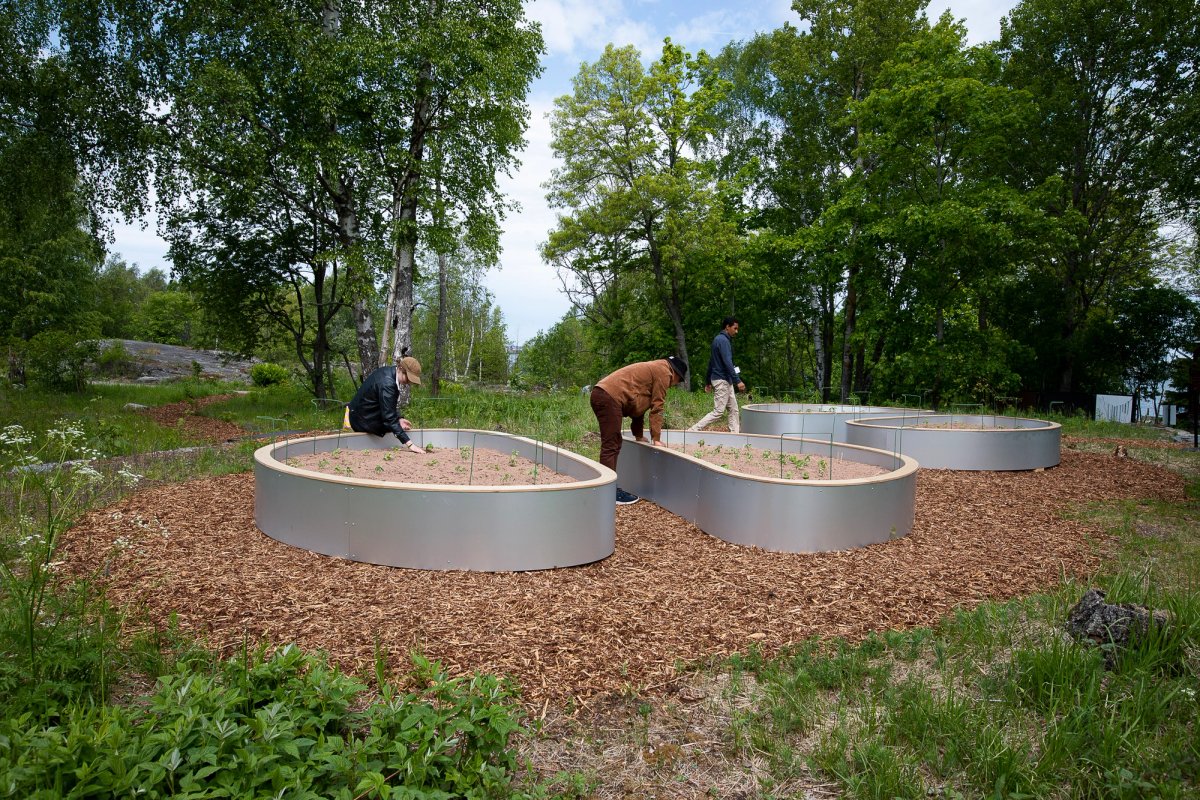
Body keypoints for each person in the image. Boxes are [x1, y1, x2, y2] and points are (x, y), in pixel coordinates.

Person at [590, 355, 688, 505]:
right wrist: (656, 439)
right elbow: (657, 407)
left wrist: (639, 435)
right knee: (612, 444)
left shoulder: (656, 368)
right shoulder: (664, 372)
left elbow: (639, 407)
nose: (673, 384)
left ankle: (605, 487)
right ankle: (608, 492)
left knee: (612, 443)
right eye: (678, 381)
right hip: (609, 397)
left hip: (602, 394)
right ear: (676, 374)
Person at [346, 356, 426, 455]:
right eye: (408, 378)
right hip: (362, 420)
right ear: (400, 369)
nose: (409, 382)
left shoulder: (389, 372)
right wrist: (410, 444)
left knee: (393, 424)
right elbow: (389, 418)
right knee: (389, 424)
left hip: (360, 414)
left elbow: (387, 404)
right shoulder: (388, 383)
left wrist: (399, 419)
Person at [691, 316, 745, 433]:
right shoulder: (723, 341)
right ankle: (693, 430)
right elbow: (727, 362)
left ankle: (735, 435)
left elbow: (712, 362)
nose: (736, 331)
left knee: (734, 409)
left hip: (725, 380)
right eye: (735, 328)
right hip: (722, 381)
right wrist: (738, 381)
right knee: (718, 412)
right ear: (727, 327)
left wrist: (708, 381)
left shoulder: (719, 340)